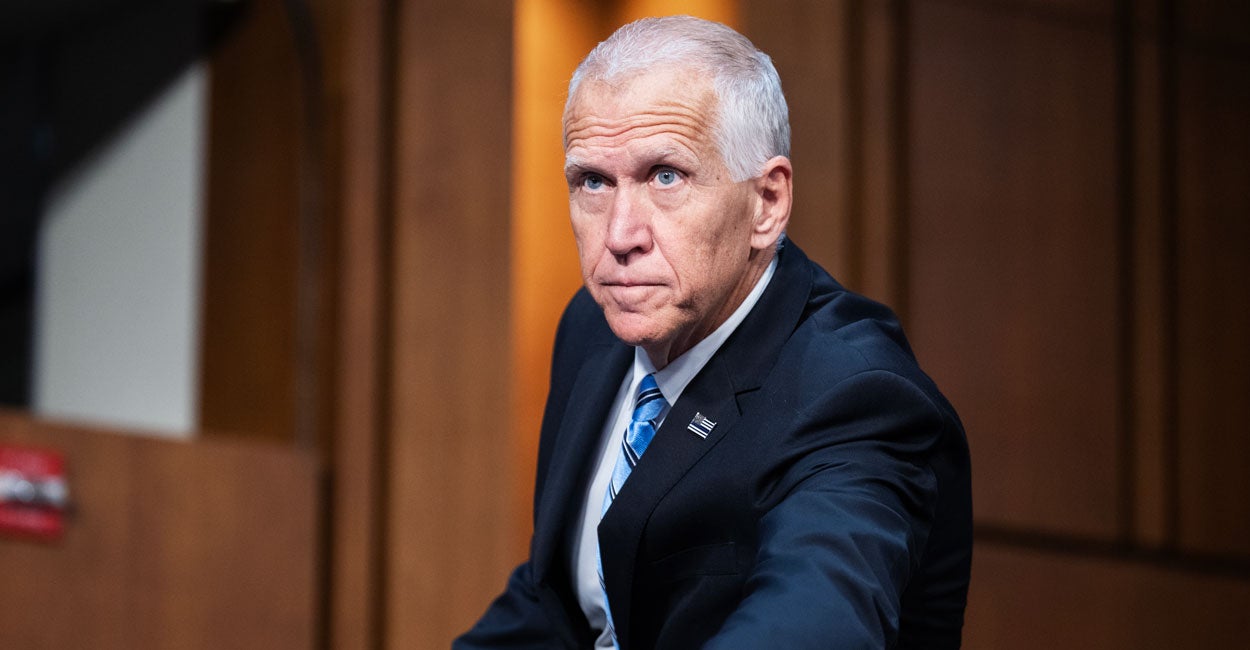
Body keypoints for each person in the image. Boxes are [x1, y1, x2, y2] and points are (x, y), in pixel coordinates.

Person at [456, 15, 971, 650]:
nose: (620, 236)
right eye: (593, 181)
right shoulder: (592, 328)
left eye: (666, 176)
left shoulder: (854, 393)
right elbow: (560, 601)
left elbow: (810, 628)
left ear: (767, 203)